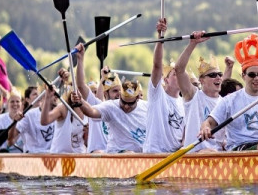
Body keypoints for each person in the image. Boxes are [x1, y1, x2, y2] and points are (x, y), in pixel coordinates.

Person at [199, 34, 258, 151]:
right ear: (244, 76)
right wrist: (205, 128)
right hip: (239, 149)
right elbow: (209, 122)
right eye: (252, 74)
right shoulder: (230, 100)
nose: (256, 78)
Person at [175, 31, 226, 152]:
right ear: (201, 80)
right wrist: (192, 44)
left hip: (219, 158)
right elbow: (179, 70)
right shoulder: (193, 95)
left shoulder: (225, 102)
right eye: (213, 75)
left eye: (219, 74)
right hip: (196, 156)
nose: (218, 77)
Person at [142, 18, 185, 153]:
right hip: (154, 154)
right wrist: (161, 37)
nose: (179, 77)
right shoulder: (157, 94)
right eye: (174, 74)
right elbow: (156, 66)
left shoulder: (185, 102)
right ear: (165, 80)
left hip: (174, 157)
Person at [75, 79, 148, 153]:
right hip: (117, 155)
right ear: (120, 95)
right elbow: (91, 112)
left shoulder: (146, 107)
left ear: (138, 98)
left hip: (141, 157)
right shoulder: (111, 106)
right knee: (129, 153)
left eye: (130, 104)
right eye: (123, 102)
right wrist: (80, 102)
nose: (126, 106)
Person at [40, 84, 87, 153]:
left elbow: (89, 141)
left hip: (79, 155)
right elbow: (44, 121)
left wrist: (88, 131)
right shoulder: (63, 108)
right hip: (60, 155)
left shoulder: (89, 109)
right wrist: (47, 98)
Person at [9, 85, 54, 153]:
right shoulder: (28, 115)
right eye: (35, 94)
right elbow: (10, 141)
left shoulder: (57, 113)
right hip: (33, 156)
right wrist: (14, 121)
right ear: (43, 97)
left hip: (52, 157)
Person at [0, 87, 23, 152]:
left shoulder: (25, 119)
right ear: (7, 103)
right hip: (2, 154)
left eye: (17, 101)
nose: (15, 104)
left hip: (21, 154)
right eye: (12, 101)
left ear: (21, 103)